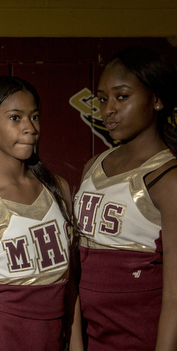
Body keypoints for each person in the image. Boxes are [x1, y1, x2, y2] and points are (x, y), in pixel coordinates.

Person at [0, 75, 78, 350]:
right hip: (3, 338)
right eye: (15, 118)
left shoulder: (57, 188)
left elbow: (70, 289)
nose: (30, 128)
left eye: (34, 117)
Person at [73, 47, 177, 350]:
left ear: (156, 99)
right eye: (103, 99)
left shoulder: (167, 179)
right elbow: (78, 271)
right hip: (95, 340)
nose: (108, 110)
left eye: (122, 97)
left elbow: (174, 296)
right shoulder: (92, 166)